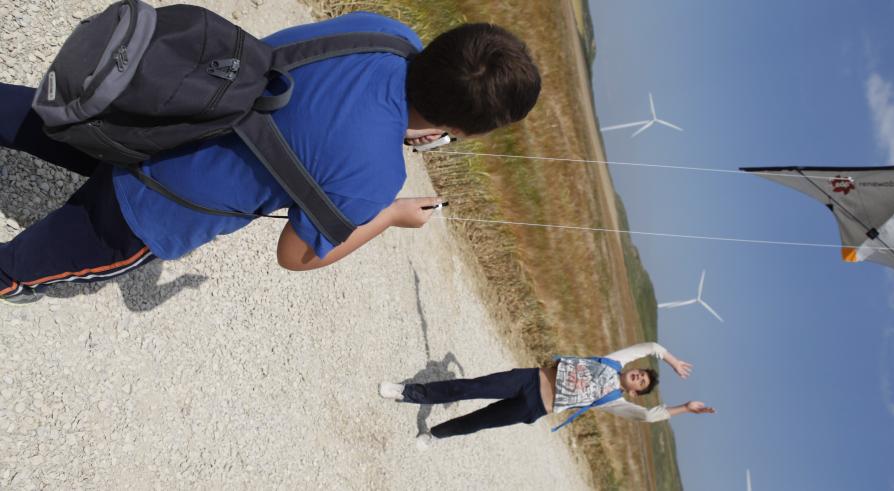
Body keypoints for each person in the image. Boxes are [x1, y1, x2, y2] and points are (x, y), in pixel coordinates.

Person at [0, 12, 541, 305]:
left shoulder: (386, 33)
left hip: (142, 116)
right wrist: (391, 214)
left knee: (22, 117)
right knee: (20, 267)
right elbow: (297, 256)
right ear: (459, 130)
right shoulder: (376, 176)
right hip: (151, 208)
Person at [378, 342, 714, 449]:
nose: (638, 376)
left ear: (634, 391)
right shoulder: (614, 361)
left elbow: (649, 417)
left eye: (640, 383)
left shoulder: (614, 401)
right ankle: (406, 392)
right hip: (527, 380)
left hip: (534, 407)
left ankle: (435, 434)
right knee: (469, 388)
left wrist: (685, 407)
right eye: (640, 372)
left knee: (479, 422)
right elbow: (651, 347)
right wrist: (669, 360)